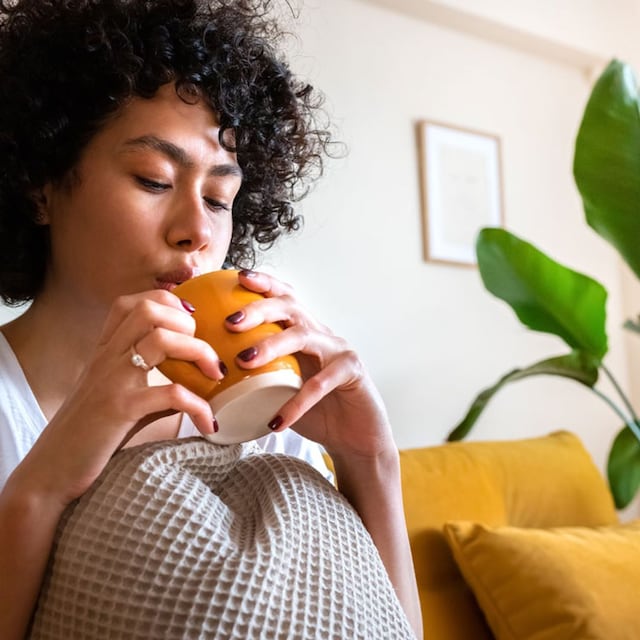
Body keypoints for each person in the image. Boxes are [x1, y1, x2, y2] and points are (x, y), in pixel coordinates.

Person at [0, 1, 423, 638]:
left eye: (220, 198)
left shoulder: (265, 420)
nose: (197, 230)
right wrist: (43, 485)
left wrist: (371, 461)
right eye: (153, 179)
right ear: (41, 184)